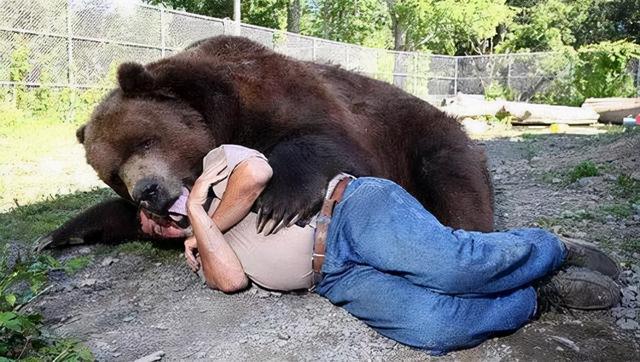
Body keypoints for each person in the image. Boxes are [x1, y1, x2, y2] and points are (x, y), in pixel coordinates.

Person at [140, 144, 621, 354]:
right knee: (431, 327)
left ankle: (549, 248)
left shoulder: (216, 166)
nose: (154, 222)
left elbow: (258, 174)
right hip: (332, 278)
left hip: (351, 210)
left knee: (450, 267)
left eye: (152, 210)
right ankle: (538, 297)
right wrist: (199, 230)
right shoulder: (200, 249)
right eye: (147, 228)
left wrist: (205, 204)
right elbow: (232, 281)